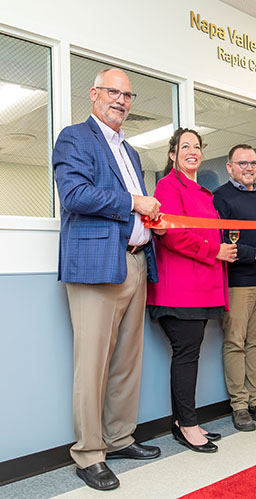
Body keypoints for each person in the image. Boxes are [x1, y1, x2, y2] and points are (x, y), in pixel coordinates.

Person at [53, 68, 162, 491]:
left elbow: (134, 210)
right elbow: (75, 195)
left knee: (126, 362)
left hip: (136, 262)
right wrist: (136, 201)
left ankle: (118, 439)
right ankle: (89, 453)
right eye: (113, 92)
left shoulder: (130, 151)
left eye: (128, 95)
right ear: (95, 94)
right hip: (97, 264)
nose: (121, 100)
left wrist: (153, 219)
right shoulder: (75, 138)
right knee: (93, 363)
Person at [147, 128, 237, 452]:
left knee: (190, 354)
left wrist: (219, 247)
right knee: (187, 355)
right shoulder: (167, 186)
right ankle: (188, 424)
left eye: (196, 146)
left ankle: (181, 421)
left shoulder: (202, 192)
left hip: (199, 288)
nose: (192, 151)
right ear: (173, 154)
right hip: (178, 290)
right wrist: (214, 251)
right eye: (185, 146)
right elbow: (171, 235)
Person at [213, 144, 256, 431]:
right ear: (229, 167)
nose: (249, 168)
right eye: (242, 163)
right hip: (238, 282)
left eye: (253, 163)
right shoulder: (220, 198)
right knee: (235, 342)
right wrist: (255, 254)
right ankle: (239, 405)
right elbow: (221, 243)